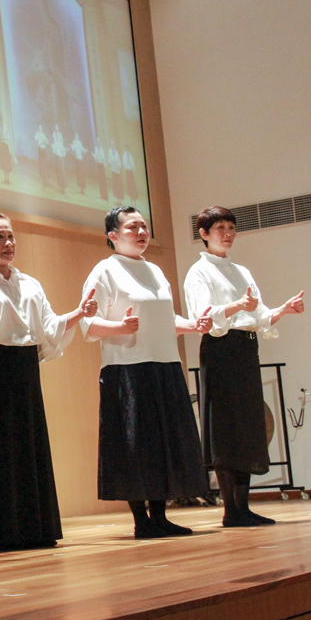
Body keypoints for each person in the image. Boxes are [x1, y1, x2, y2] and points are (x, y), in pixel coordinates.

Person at [0, 213, 96, 552]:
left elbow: (49, 327)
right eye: (0, 237)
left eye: (11, 237)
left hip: (25, 367)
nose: (8, 243)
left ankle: (37, 527)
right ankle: (6, 530)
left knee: (30, 444)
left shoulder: (30, 283)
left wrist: (80, 312)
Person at [80, 206, 211, 539]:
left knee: (164, 443)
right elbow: (88, 325)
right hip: (127, 369)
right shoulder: (104, 271)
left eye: (144, 227)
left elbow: (166, 320)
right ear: (112, 235)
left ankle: (160, 517)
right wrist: (120, 327)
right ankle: (141, 520)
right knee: (135, 445)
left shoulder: (154, 270)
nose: (141, 232)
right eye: (132, 227)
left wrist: (193, 325)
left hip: (165, 365)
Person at [184, 206, 304, 527]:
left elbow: (259, 316)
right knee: (226, 427)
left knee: (247, 426)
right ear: (204, 234)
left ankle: (243, 507)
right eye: (220, 228)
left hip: (246, 349)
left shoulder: (241, 271)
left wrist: (283, 310)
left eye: (232, 228)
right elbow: (203, 315)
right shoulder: (199, 272)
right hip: (220, 349)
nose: (228, 234)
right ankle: (230, 511)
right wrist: (237, 305)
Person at [0, 113, 14, 184]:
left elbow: (9, 136)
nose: (1, 119)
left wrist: (5, 138)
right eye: (0, 118)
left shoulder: (5, 127)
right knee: (3, 162)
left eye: (1, 117)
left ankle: (8, 179)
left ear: (2, 118)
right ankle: (5, 178)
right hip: (1, 145)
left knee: (7, 162)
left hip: (5, 145)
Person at [51, 124, 67, 194]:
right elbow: (54, 151)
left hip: (61, 159)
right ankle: (61, 187)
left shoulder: (61, 143)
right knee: (59, 172)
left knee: (62, 172)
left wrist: (65, 150)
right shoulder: (54, 143)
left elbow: (63, 151)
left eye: (57, 126)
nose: (58, 137)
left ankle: (63, 186)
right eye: (55, 127)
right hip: (57, 158)